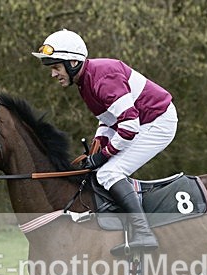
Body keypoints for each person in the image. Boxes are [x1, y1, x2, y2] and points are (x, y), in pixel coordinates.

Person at [32, 29, 178, 256]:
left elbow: (129, 125)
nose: (53, 74)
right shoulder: (85, 82)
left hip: (158, 122)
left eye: (56, 67)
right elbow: (109, 120)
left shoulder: (102, 78)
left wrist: (103, 155)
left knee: (109, 172)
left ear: (73, 63)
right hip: (141, 121)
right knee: (100, 171)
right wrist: (98, 143)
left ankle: (143, 233)